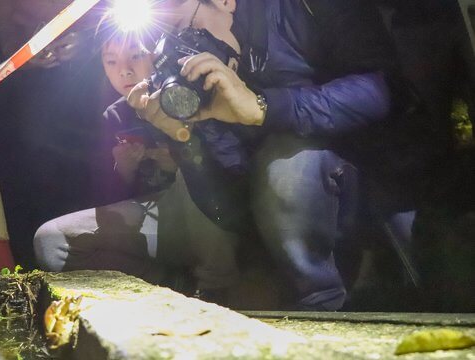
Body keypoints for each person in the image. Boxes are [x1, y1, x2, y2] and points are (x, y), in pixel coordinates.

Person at [128, 0, 407, 310]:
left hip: (379, 170)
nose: (182, 58)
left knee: (288, 165)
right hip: (290, 227)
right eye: (165, 48)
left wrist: (263, 107)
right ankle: (319, 313)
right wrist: (185, 136)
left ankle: (326, 305)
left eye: (185, 33)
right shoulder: (208, 82)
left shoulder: (297, 9)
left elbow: (379, 91)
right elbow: (231, 210)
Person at [33, 33, 241, 297]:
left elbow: (232, 164)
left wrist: (181, 157)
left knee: (191, 178)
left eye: (136, 56)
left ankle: (220, 289)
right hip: (153, 217)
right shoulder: (115, 115)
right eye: (111, 62)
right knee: (50, 241)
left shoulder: (187, 91)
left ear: (157, 54)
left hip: (209, 215)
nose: (125, 70)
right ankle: (175, 287)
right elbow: (103, 199)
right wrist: (122, 172)